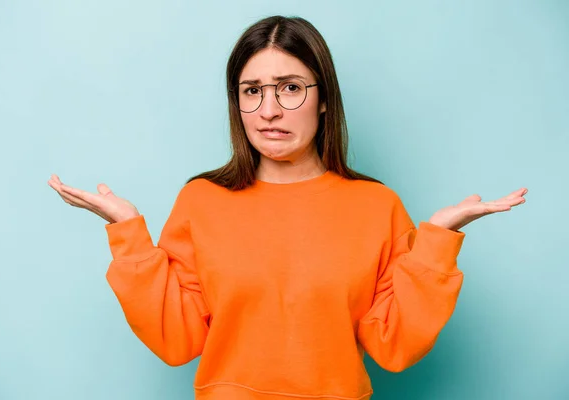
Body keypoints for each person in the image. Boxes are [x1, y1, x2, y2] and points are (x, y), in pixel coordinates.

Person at [48, 15, 527, 400]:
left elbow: (394, 346)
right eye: (252, 90)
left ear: (323, 99)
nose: (270, 110)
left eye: (290, 87)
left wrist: (437, 244)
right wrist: (128, 233)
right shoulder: (202, 199)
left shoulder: (377, 205)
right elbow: (179, 339)